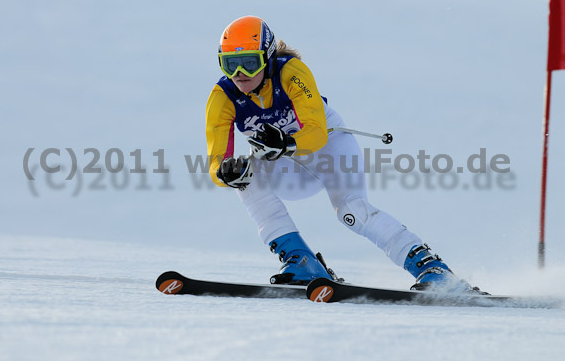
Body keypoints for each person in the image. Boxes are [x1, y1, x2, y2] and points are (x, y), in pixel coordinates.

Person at [206, 15, 483, 292]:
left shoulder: (291, 72)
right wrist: (224, 173)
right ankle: (300, 259)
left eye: (250, 62)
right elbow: (216, 162)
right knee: (243, 176)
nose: (240, 72)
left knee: (351, 211)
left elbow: (316, 132)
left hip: (329, 147)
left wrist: (287, 143)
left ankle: (432, 268)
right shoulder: (223, 96)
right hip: (286, 167)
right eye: (230, 64)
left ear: (267, 58)